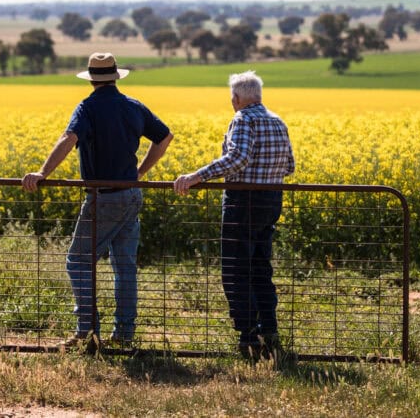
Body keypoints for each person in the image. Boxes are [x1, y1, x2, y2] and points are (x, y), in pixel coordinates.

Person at [23, 52, 172, 350]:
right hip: (131, 195)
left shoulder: (87, 108)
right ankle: (124, 334)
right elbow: (165, 137)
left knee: (77, 260)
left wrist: (42, 172)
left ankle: (87, 331)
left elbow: (68, 139)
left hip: (103, 198)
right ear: (115, 76)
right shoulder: (132, 106)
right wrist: (139, 172)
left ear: (91, 78)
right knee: (125, 266)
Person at [173, 70, 295, 360]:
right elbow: (289, 165)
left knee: (236, 270)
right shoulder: (278, 121)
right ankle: (270, 330)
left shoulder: (243, 119)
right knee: (261, 268)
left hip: (243, 202)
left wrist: (197, 176)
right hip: (271, 201)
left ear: (237, 98)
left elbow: (237, 158)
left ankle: (248, 337)